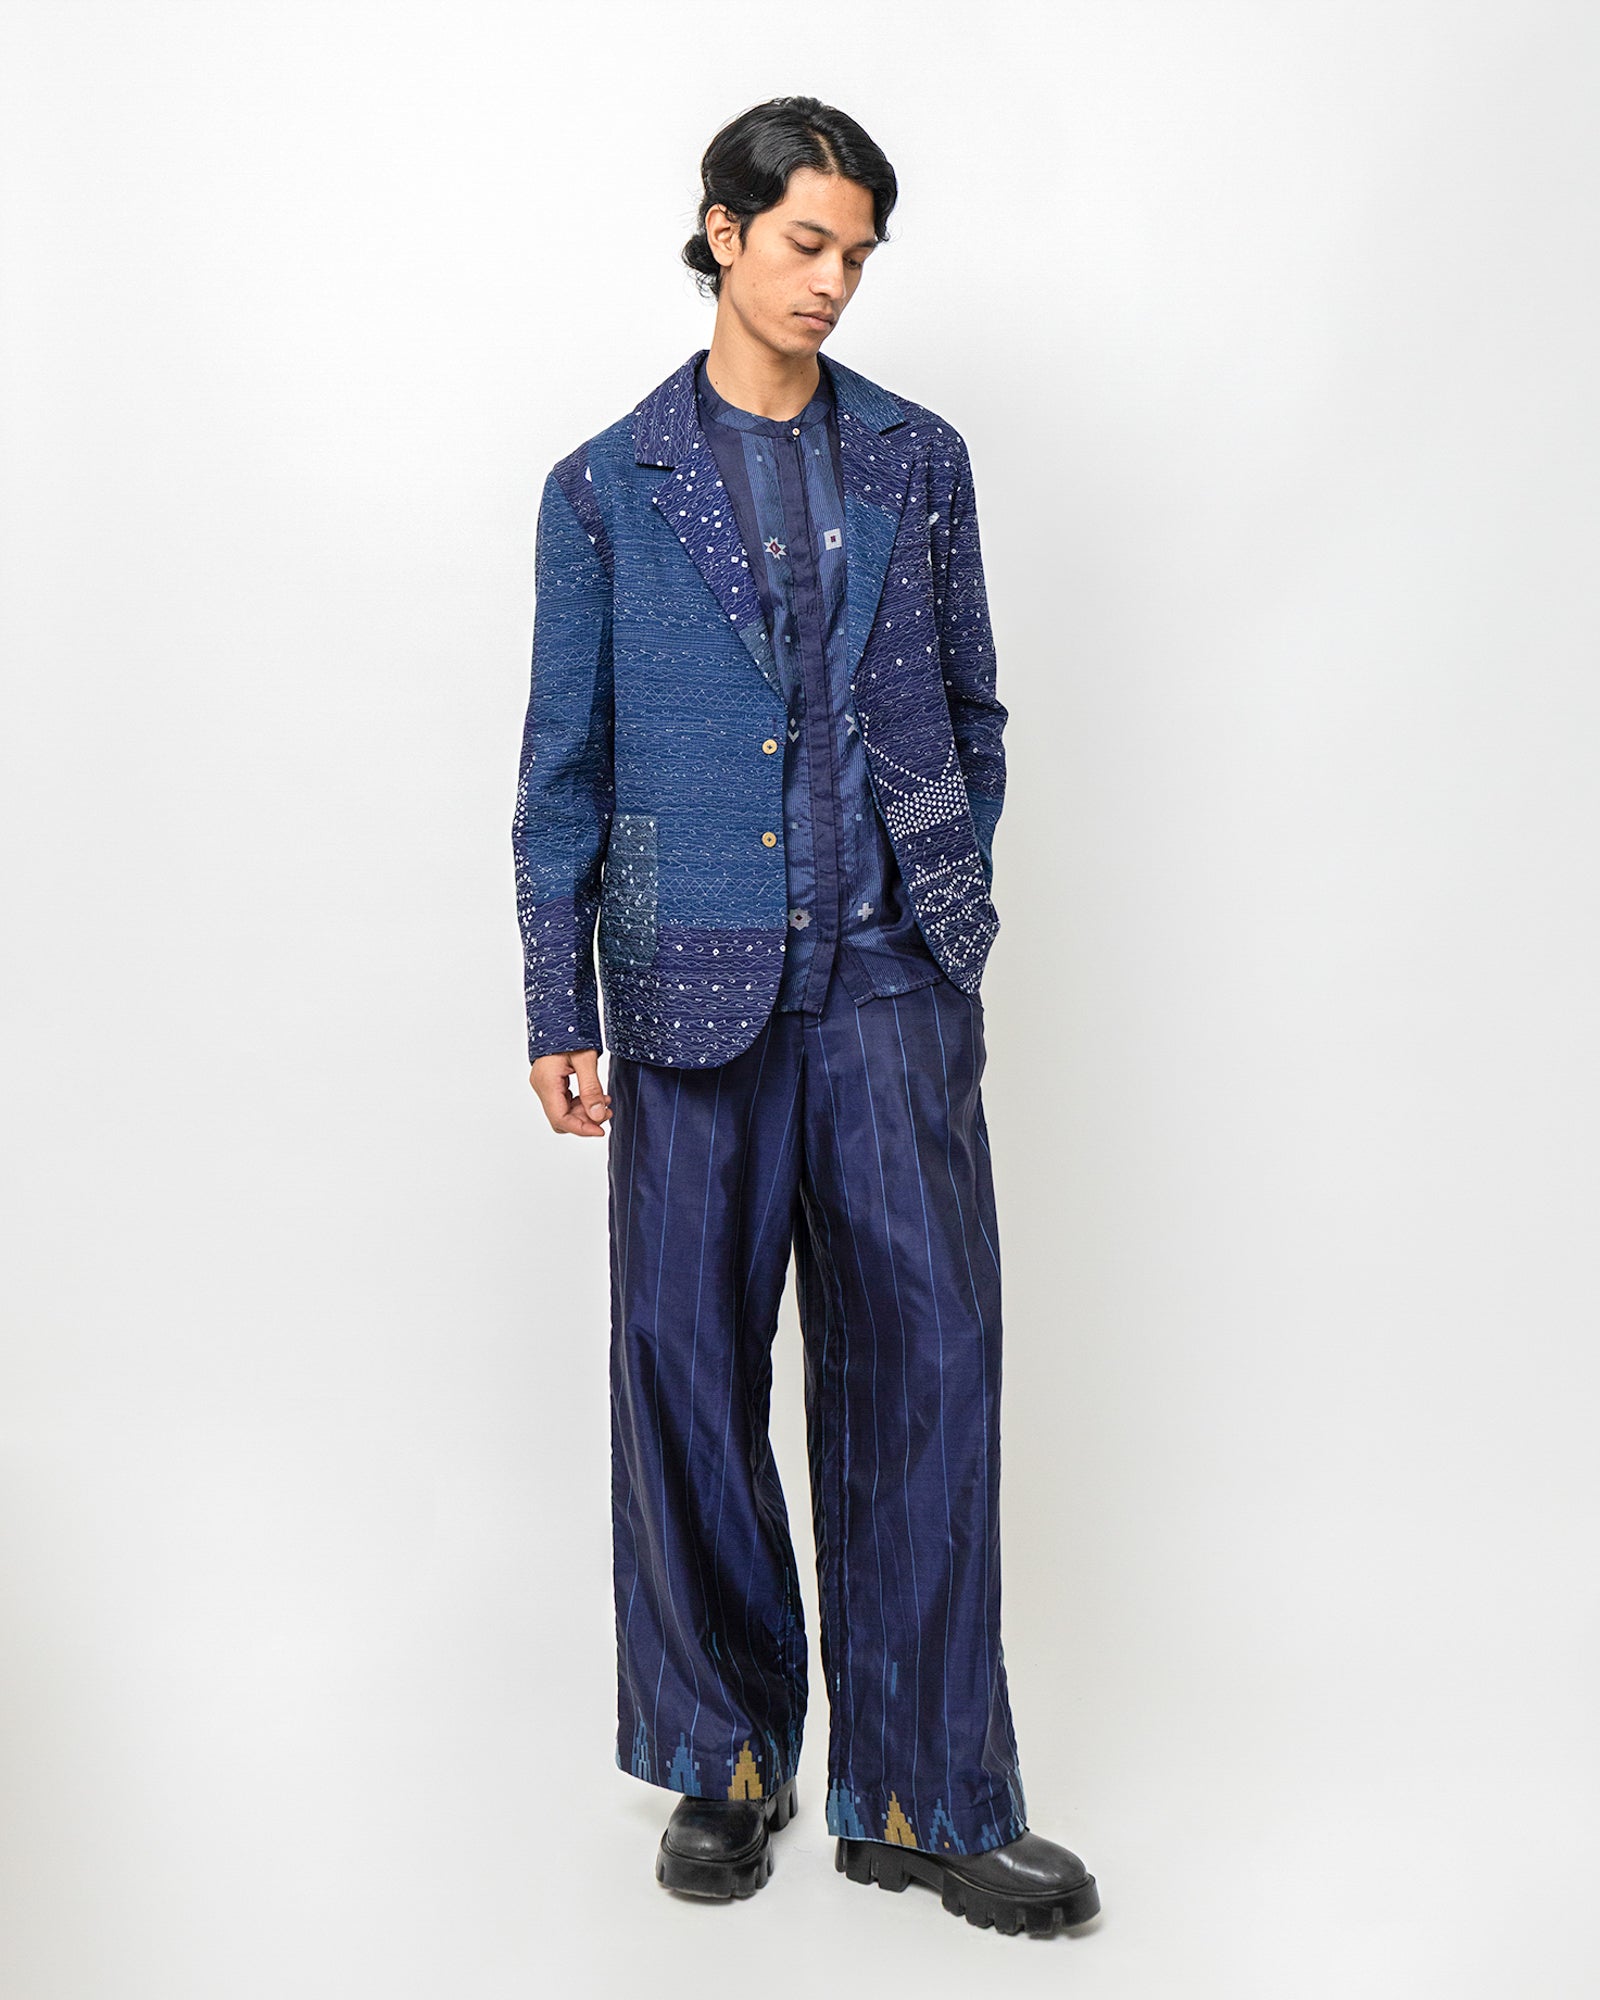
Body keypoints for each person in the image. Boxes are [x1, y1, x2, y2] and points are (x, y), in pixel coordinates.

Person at [512, 94, 1100, 1939]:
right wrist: (554, 996)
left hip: (891, 992)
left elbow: (973, 707)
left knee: (932, 1368)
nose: (833, 280)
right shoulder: (605, 488)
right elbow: (563, 768)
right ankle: (725, 1758)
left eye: (857, 252)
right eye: (804, 242)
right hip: (688, 994)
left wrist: (947, 891)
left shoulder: (919, 461)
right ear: (722, 232)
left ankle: (927, 1795)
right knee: (685, 1373)